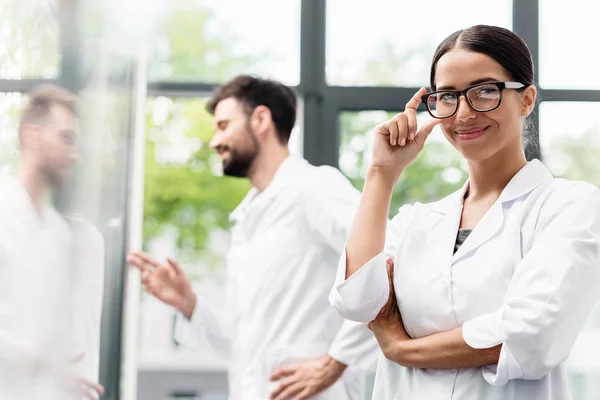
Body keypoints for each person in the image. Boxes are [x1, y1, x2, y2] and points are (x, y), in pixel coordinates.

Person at [329, 25, 600, 400]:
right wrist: (381, 175)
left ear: (526, 99)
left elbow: (532, 338)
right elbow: (356, 302)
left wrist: (400, 348)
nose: (464, 113)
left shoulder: (570, 205)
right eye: (447, 97)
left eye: (485, 91)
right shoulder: (415, 221)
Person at [128, 75, 378, 400]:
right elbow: (243, 345)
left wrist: (336, 361)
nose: (214, 141)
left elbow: (385, 262)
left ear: (261, 119)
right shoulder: (247, 220)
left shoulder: (314, 188)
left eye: (223, 125)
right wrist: (189, 305)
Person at [0, 84, 104, 399]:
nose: (74, 154)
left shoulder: (60, 235)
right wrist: (41, 363)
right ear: (32, 135)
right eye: (66, 138)